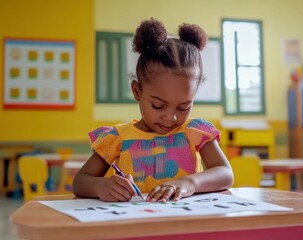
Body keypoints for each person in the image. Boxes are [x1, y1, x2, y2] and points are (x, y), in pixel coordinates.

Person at [73, 18, 234, 202]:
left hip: (185, 224)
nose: (171, 117)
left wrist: (190, 182)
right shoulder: (118, 138)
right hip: (135, 227)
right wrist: (101, 186)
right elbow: (80, 181)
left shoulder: (195, 132)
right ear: (137, 91)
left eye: (184, 107)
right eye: (158, 105)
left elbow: (225, 174)